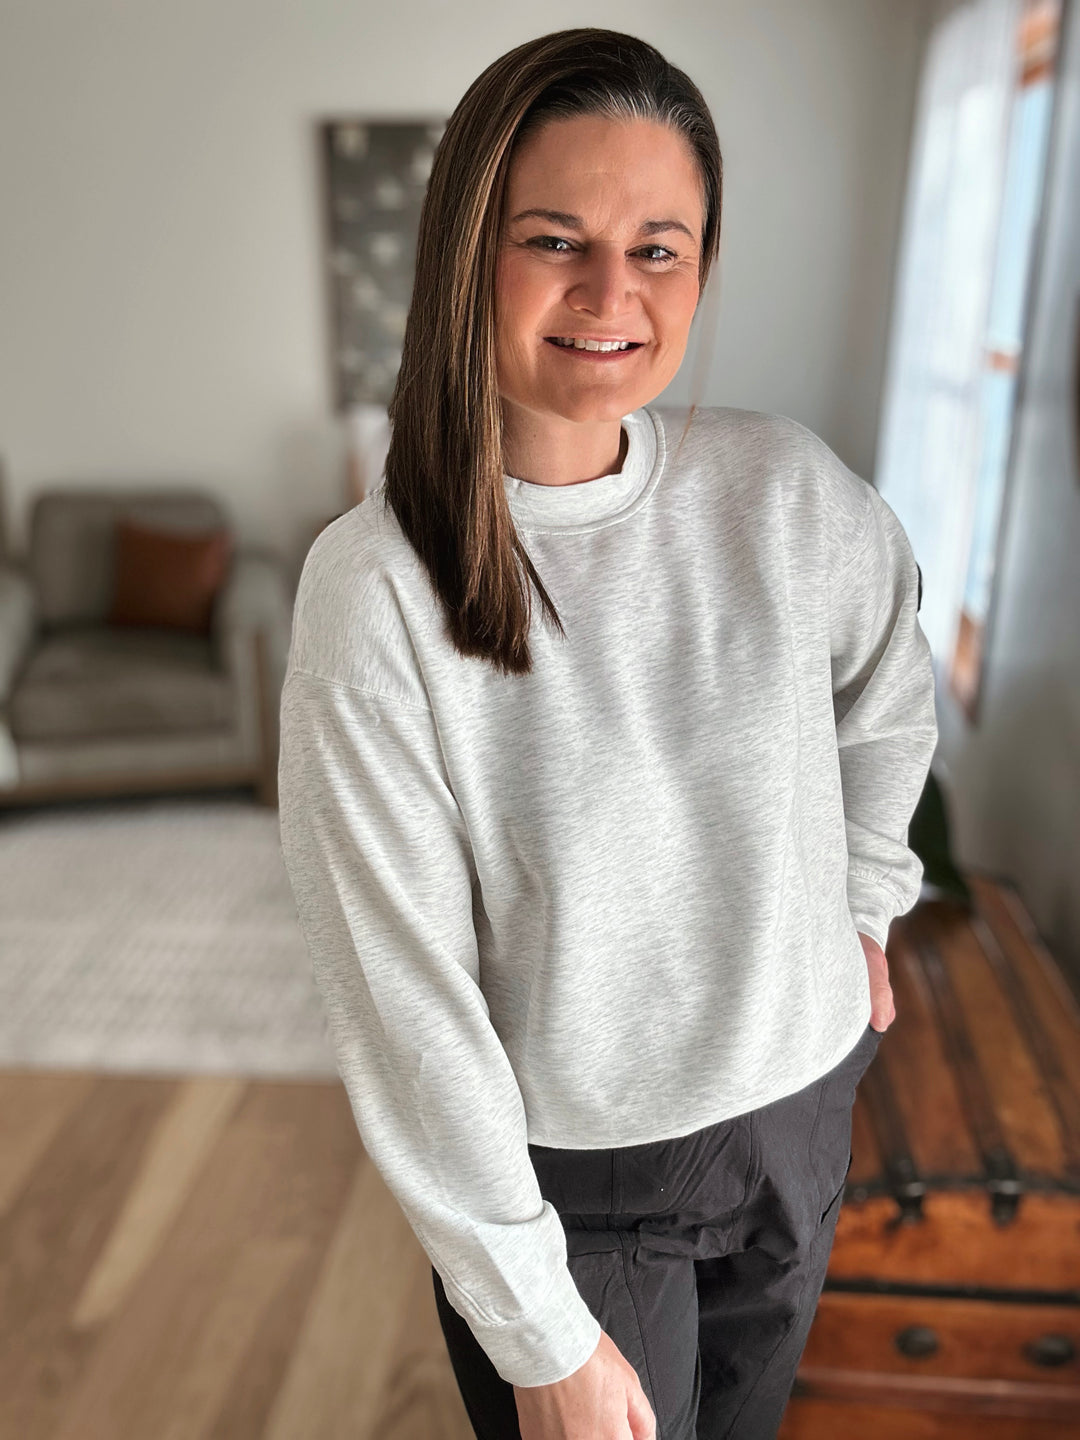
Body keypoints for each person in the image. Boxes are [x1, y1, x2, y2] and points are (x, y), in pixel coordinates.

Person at [277, 26, 938, 1440]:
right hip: (584, 1188)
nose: (608, 293)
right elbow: (406, 1000)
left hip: (801, 1105)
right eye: (555, 238)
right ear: (469, 249)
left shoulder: (783, 488)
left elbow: (891, 676)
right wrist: (532, 1321)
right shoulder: (378, 588)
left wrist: (869, 895)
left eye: (659, 248)